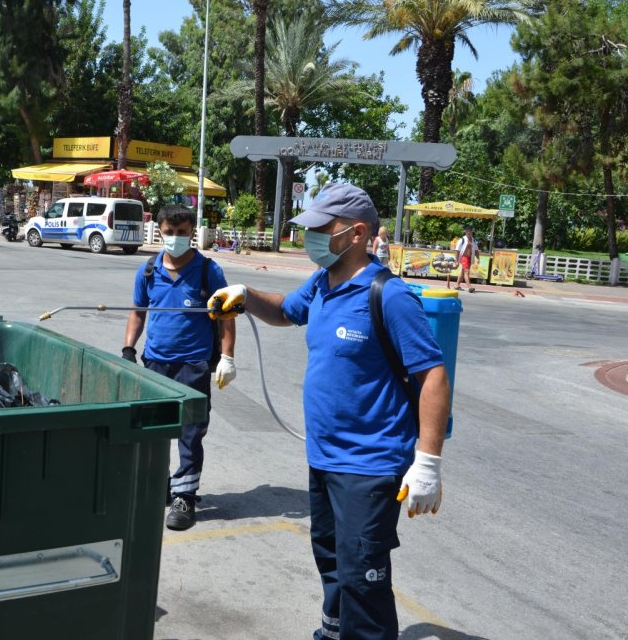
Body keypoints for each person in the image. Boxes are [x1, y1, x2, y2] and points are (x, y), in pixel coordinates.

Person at [209, 182, 450, 640]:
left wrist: (428, 462)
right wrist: (245, 295)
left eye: (322, 229)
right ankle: (334, 632)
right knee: (333, 561)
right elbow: (286, 311)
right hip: (323, 457)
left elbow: (433, 376)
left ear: (356, 234)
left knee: (363, 578)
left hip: (370, 464)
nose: (311, 238)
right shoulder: (323, 282)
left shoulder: (389, 295)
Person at [123, 204, 237, 532]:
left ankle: (184, 497)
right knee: (154, 430)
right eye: (169, 232)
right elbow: (137, 312)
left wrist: (227, 358)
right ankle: (159, 485)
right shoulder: (148, 270)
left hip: (193, 366)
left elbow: (227, 318)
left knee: (190, 432)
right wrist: (129, 349)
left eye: (182, 232)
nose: (175, 238)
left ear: (192, 233)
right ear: (160, 232)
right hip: (155, 363)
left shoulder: (208, 271)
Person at [449, 225, 480, 293]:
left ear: (472, 231)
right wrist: (456, 260)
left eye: (470, 231)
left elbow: (476, 250)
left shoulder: (474, 240)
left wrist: (478, 258)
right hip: (464, 257)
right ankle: (470, 287)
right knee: (466, 272)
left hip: (470, 258)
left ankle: (457, 285)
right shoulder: (462, 240)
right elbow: (457, 251)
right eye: (467, 231)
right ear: (465, 232)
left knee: (462, 272)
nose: (468, 232)